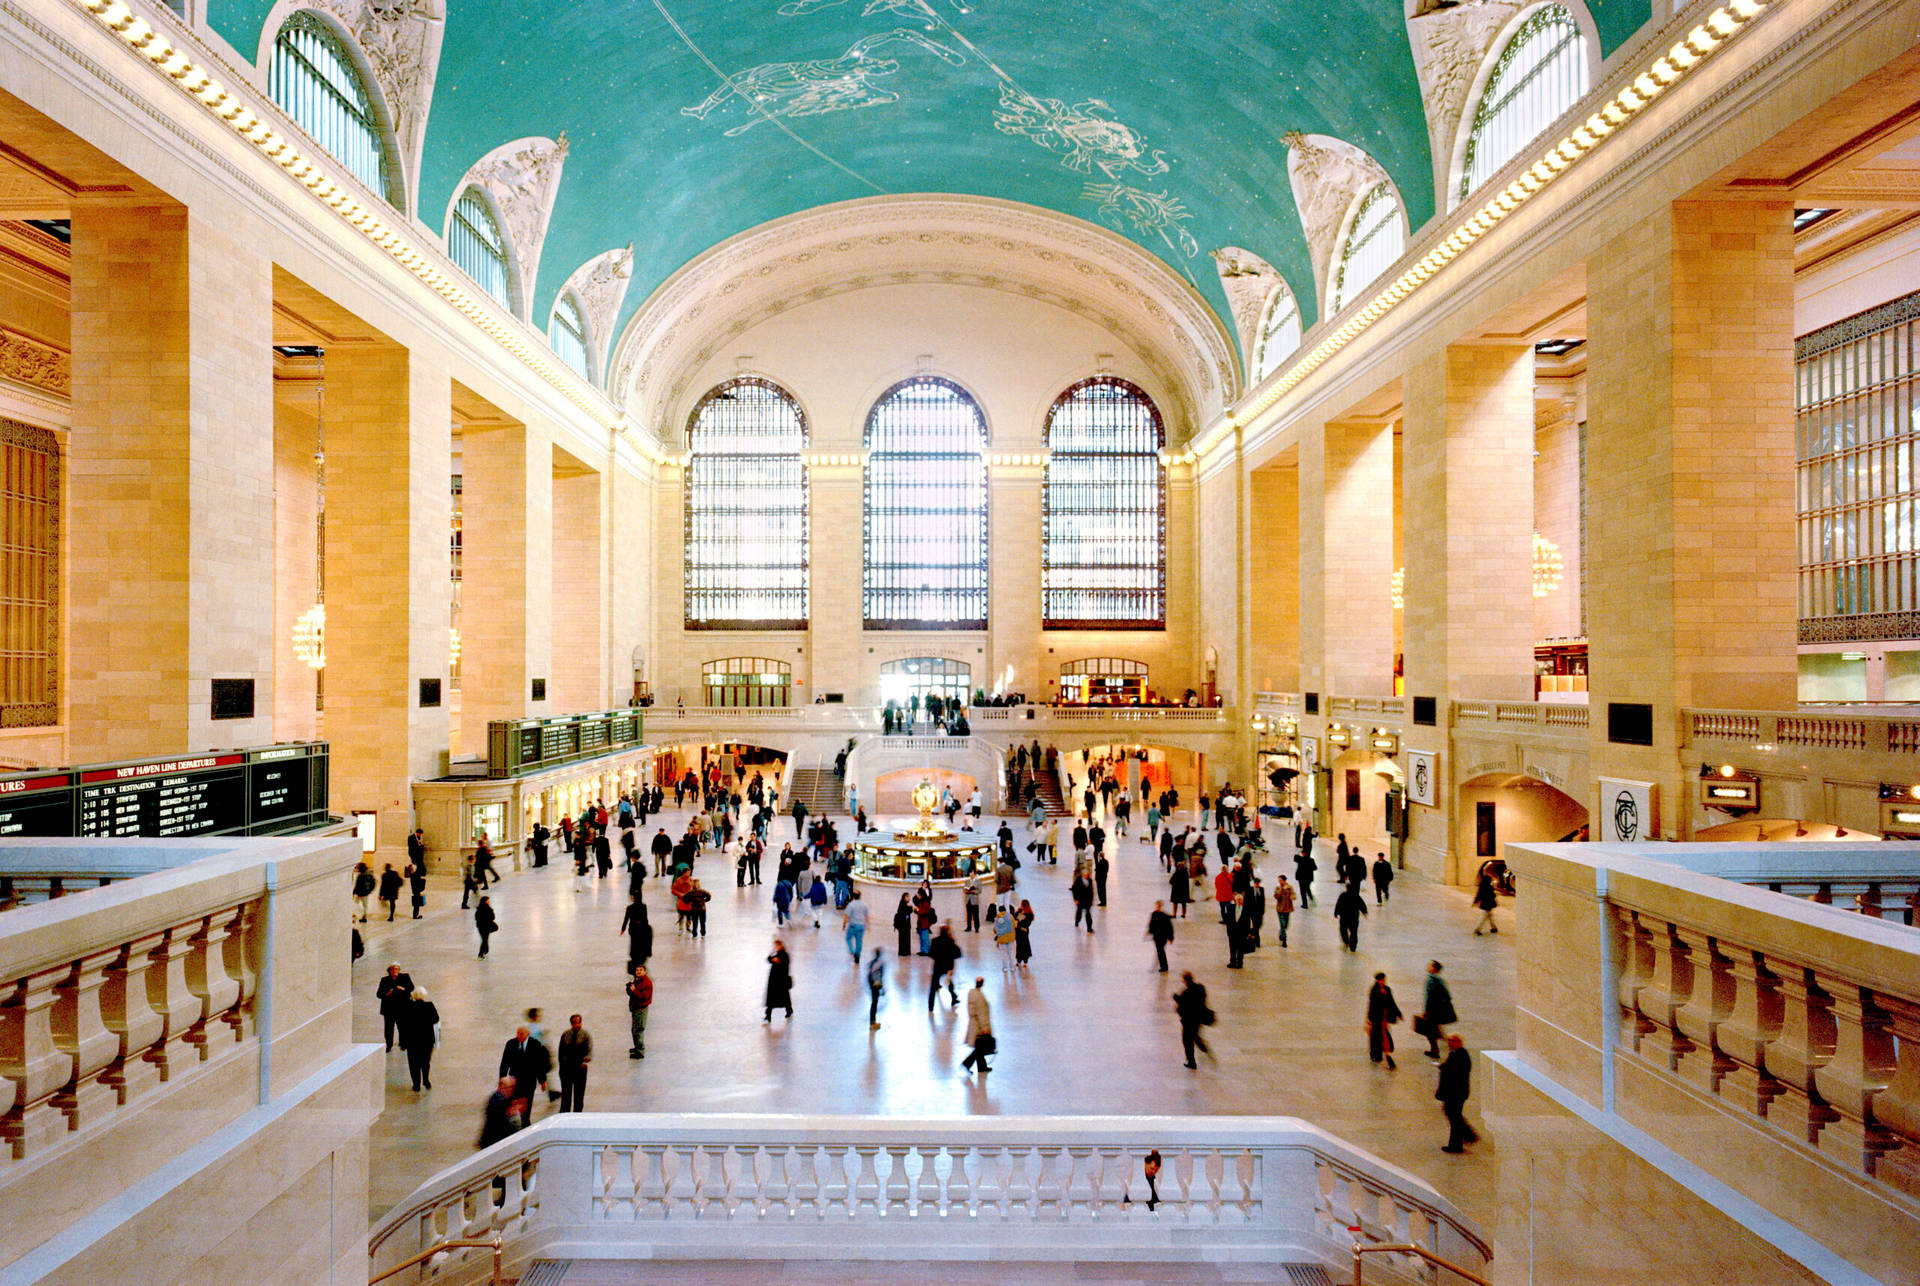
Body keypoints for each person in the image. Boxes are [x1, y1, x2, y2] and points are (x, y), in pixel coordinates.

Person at [1437, 1034, 1479, 1152]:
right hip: (1454, 1092)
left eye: (1454, 1041)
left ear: (1460, 1043)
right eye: (1450, 1041)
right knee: (1453, 1115)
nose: (1450, 1043)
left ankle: (1460, 1142)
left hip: (1456, 1093)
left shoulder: (1461, 1056)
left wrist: (1444, 1069)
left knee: (1454, 1117)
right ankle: (1465, 1137)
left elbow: (1455, 1073)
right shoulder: (1455, 1053)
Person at [499, 1026, 550, 1112]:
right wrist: (502, 1078)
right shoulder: (511, 1044)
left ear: (528, 1034)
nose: (519, 1036)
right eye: (518, 1034)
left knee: (527, 1105)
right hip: (514, 1080)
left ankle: (526, 1121)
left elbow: (539, 1064)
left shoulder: (535, 1044)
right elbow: (505, 1062)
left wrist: (542, 1081)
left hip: (529, 1080)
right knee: (515, 1103)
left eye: (522, 1034)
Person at [399, 986, 438, 1091]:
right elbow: (435, 1019)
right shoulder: (429, 1006)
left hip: (412, 1040)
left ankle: (416, 1084)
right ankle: (426, 1080)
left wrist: (402, 1043)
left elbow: (403, 1026)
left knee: (413, 1063)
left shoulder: (408, 1007)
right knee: (425, 1061)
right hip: (427, 1039)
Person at [1172, 972, 1213, 1069]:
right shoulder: (1200, 988)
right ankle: (1203, 1047)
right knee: (1195, 1034)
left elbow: (1183, 1003)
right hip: (1198, 1018)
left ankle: (1191, 1061)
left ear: (1185, 981)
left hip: (1188, 1020)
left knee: (1187, 1041)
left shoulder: (1186, 992)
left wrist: (1176, 997)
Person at [1419, 960, 1458, 1061]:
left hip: (1433, 1010)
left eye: (1430, 965)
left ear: (1434, 968)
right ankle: (1440, 1047)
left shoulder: (1431, 980)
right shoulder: (1440, 979)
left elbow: (1429, 997)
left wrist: (1426, 1010)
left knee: (1429, 1031)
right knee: (1435, 1029)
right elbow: (1447, 995)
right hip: (1438, 1009)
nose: (1428, 966)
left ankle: (1435, 1050)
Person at [556, 1014, 592, 1112]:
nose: (577, 1025)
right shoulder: (566, 1035)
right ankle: (564, 1114)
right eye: (574, 1023)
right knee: (566, 1095)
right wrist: (561, 1068)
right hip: (566, 1069)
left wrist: (585, 1061)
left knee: (579, 1096)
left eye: (578, 1022)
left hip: (579, 1068)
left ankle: (577, 1115)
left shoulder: (585, 1035)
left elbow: (589, 1051)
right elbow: (561, 1052)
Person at [375, 962, 414, 1052]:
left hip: (402, 1008)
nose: (394, 971)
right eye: (392, 969)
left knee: (403, 1027)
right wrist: (387, 993)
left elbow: (411, 988)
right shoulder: (384, 980)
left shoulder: (405, 977)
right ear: (389, 971)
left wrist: (403, 989)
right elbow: (379, 994)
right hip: (389, 1009)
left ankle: (403, 1043)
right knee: (388, 1028)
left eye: (396, 969)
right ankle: (389, 1045)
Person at [1367, 972, 1402, 1070]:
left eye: (1384, 980)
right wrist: (1369, 1019)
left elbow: (1392, 1002)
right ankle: (1377, 1055)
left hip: (1385, 1018)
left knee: (1382, 1036)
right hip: (1376, 1018)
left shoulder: (1387, 989)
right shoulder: (1374, 991)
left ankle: (1382, 1054)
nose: (1383, 982)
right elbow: (1371, 1006)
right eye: (1381, 980)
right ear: (1377, 980)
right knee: (1376, 1036)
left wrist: (1398, 1013)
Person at [959, 976, 994, 1073]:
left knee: (979, 1047)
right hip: (979, 1027)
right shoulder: (979, 997)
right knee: (979, 1048)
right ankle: (967, 1063)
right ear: (982, 984)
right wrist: (984, 1028)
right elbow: (981, 1013)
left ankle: (982, 1067)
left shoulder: (972, 993)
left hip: (974, 1024)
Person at [478, 1076, 521, 1152]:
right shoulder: (497, 1101)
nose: (512, 1089)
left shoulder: (506, 1098)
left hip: (497, 1141)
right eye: (510, 1087)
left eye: (513, 1087)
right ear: (501, 1087)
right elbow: (500, 1123)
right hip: (493, 1142)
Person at [927, 922, 962, 1011]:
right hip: (948, 966)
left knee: (933, 987)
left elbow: (931, 954)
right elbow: (958, 953)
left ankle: (931, 1006)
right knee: (949, 982)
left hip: (938, 966)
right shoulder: (950, 941)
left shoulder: (935, 941)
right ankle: (954, 998)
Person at [626, 964, 653, 1059]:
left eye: (641, 970)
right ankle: (637, 1046)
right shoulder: (637, 980)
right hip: (635, 1007)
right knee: (634, 1029)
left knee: (638, 1030)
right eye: (637, 970)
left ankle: (640, 1051)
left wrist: (634, 990)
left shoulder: (647, 983)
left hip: (641, 1009)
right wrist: (629, 989)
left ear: (645, 971)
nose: (638, 972)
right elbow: (632, 993)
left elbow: (643, 997)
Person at [764, 938, 794, 1023]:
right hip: (774, 980)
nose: (775, 947)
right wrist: (772, 954)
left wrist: (777, 961)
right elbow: (769, 959)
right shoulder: (776, 953)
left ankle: (788, 1010)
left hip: (780, 980)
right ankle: (768, 1015)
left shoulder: (784, 955)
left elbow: (784, 965)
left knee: (783, 997)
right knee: (774, 998)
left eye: (777, 945)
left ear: (781, 945)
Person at [1333, 881, 1368, 952]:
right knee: (1354, 932)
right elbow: (1362, 904)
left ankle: (1346, 941)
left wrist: (1336, 913)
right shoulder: (1356, 896)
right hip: (1354, 917)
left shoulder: (1343, 895)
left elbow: (1338, 904)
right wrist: (1364, 912)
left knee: (1343, 930)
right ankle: (1353, 946)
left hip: (1344, 917)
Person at [619, 895, 652, 968]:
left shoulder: (629, 908)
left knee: (634, 942)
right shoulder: (644, 906)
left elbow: (626, 919)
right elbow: (645, 918)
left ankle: (634, 955)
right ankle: (641, 955)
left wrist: (623, 929)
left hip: (633, 929)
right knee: (640, 942)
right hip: (642, 928)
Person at [1146, 901, 1175, 973]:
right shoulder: (1154, 914)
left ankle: (1164, 966)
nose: (1158, 907)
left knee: (1160, 951)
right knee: (1160, 951)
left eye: (1159, 906)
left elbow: (1169, 927)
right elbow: (1151, 924)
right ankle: (1163, 966)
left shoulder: (1165, 916)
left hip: (1163, 936)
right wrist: (1150, 931)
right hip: (1156, 936)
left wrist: (1171, 938)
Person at [844, 889, 869, 962]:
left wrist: (844, 924)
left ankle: (852, 951)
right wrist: (867, 925)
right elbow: (866, 916)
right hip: (861, 925)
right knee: (859, 941)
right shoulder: (864, 905)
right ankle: (857, 955)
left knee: (848, 938)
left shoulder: (851, 905)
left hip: (853, 925)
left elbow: (847, 916)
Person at [993, 902, 1017, 973]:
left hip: (1002, 939)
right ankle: (1012, 967)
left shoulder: (997, 917)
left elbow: (995, 929)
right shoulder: (1010, 916)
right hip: (1010, 938)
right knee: (1011, 952)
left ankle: (1005, 968)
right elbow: (1015, 925)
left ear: (999, 910)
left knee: (1003, 954)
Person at [1273, 874, 1295, 948]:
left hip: (1287, 909)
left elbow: (1293, 894)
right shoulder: (1278, 888)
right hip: (1280, 909)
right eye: (1278, 880)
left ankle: (1281, 933)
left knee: (1286, 925)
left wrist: (1292, 897)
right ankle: (1284, 940)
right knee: (1282, 924)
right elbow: (1276, 896)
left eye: (1280, 880)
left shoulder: (1289, 887)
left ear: (1284, 880)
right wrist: (1280, 891)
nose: (1279, 882)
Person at [866, 947, 886, 1029]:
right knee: (874, 1003)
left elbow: (869, 974)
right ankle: (872, 1022)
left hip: (872, 984)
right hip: (876, 985)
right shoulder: (881, 964)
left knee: (874, 1003)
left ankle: (873, 1021)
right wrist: (881, 987)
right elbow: (879, 976)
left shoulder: (871, 963)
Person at [1070, 870, 1095, 934]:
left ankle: (1089, 928)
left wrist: (1092, 900)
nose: (1087, 876)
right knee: (1079, 912)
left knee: (1088, 914)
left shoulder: (1090, 880)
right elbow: (1074, 890)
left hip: (1087, 900)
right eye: (1085, 875)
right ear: (1082, 875)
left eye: (1087, 875)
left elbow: (1091, 891)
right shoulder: (1078, 880)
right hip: (1080, 899)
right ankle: (1077, 921)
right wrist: (1075, 899)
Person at [1014, 899, 1035, 968]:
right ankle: (1019, 960)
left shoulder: (1029, 914)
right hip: (1019, 931)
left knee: (1024, 945)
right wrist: (1018, 912)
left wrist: (1021, 915)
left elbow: (1025, 923)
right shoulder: (1021, 911)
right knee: (1019, 945)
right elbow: (1015, 917)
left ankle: (1025, 961)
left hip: (1024, 931)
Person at [893, 892, 914, 957]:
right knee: (902, 938)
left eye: (909, 897)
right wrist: (910, 907)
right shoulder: (902, 904)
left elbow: (909, 912)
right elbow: (904, 912)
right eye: (907, 897)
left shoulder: (907, 904)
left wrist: (910, 907)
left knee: (907, 938)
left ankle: (907, 951)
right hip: (902, 925)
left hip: (906, 925)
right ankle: (903, 952)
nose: (908, 898)